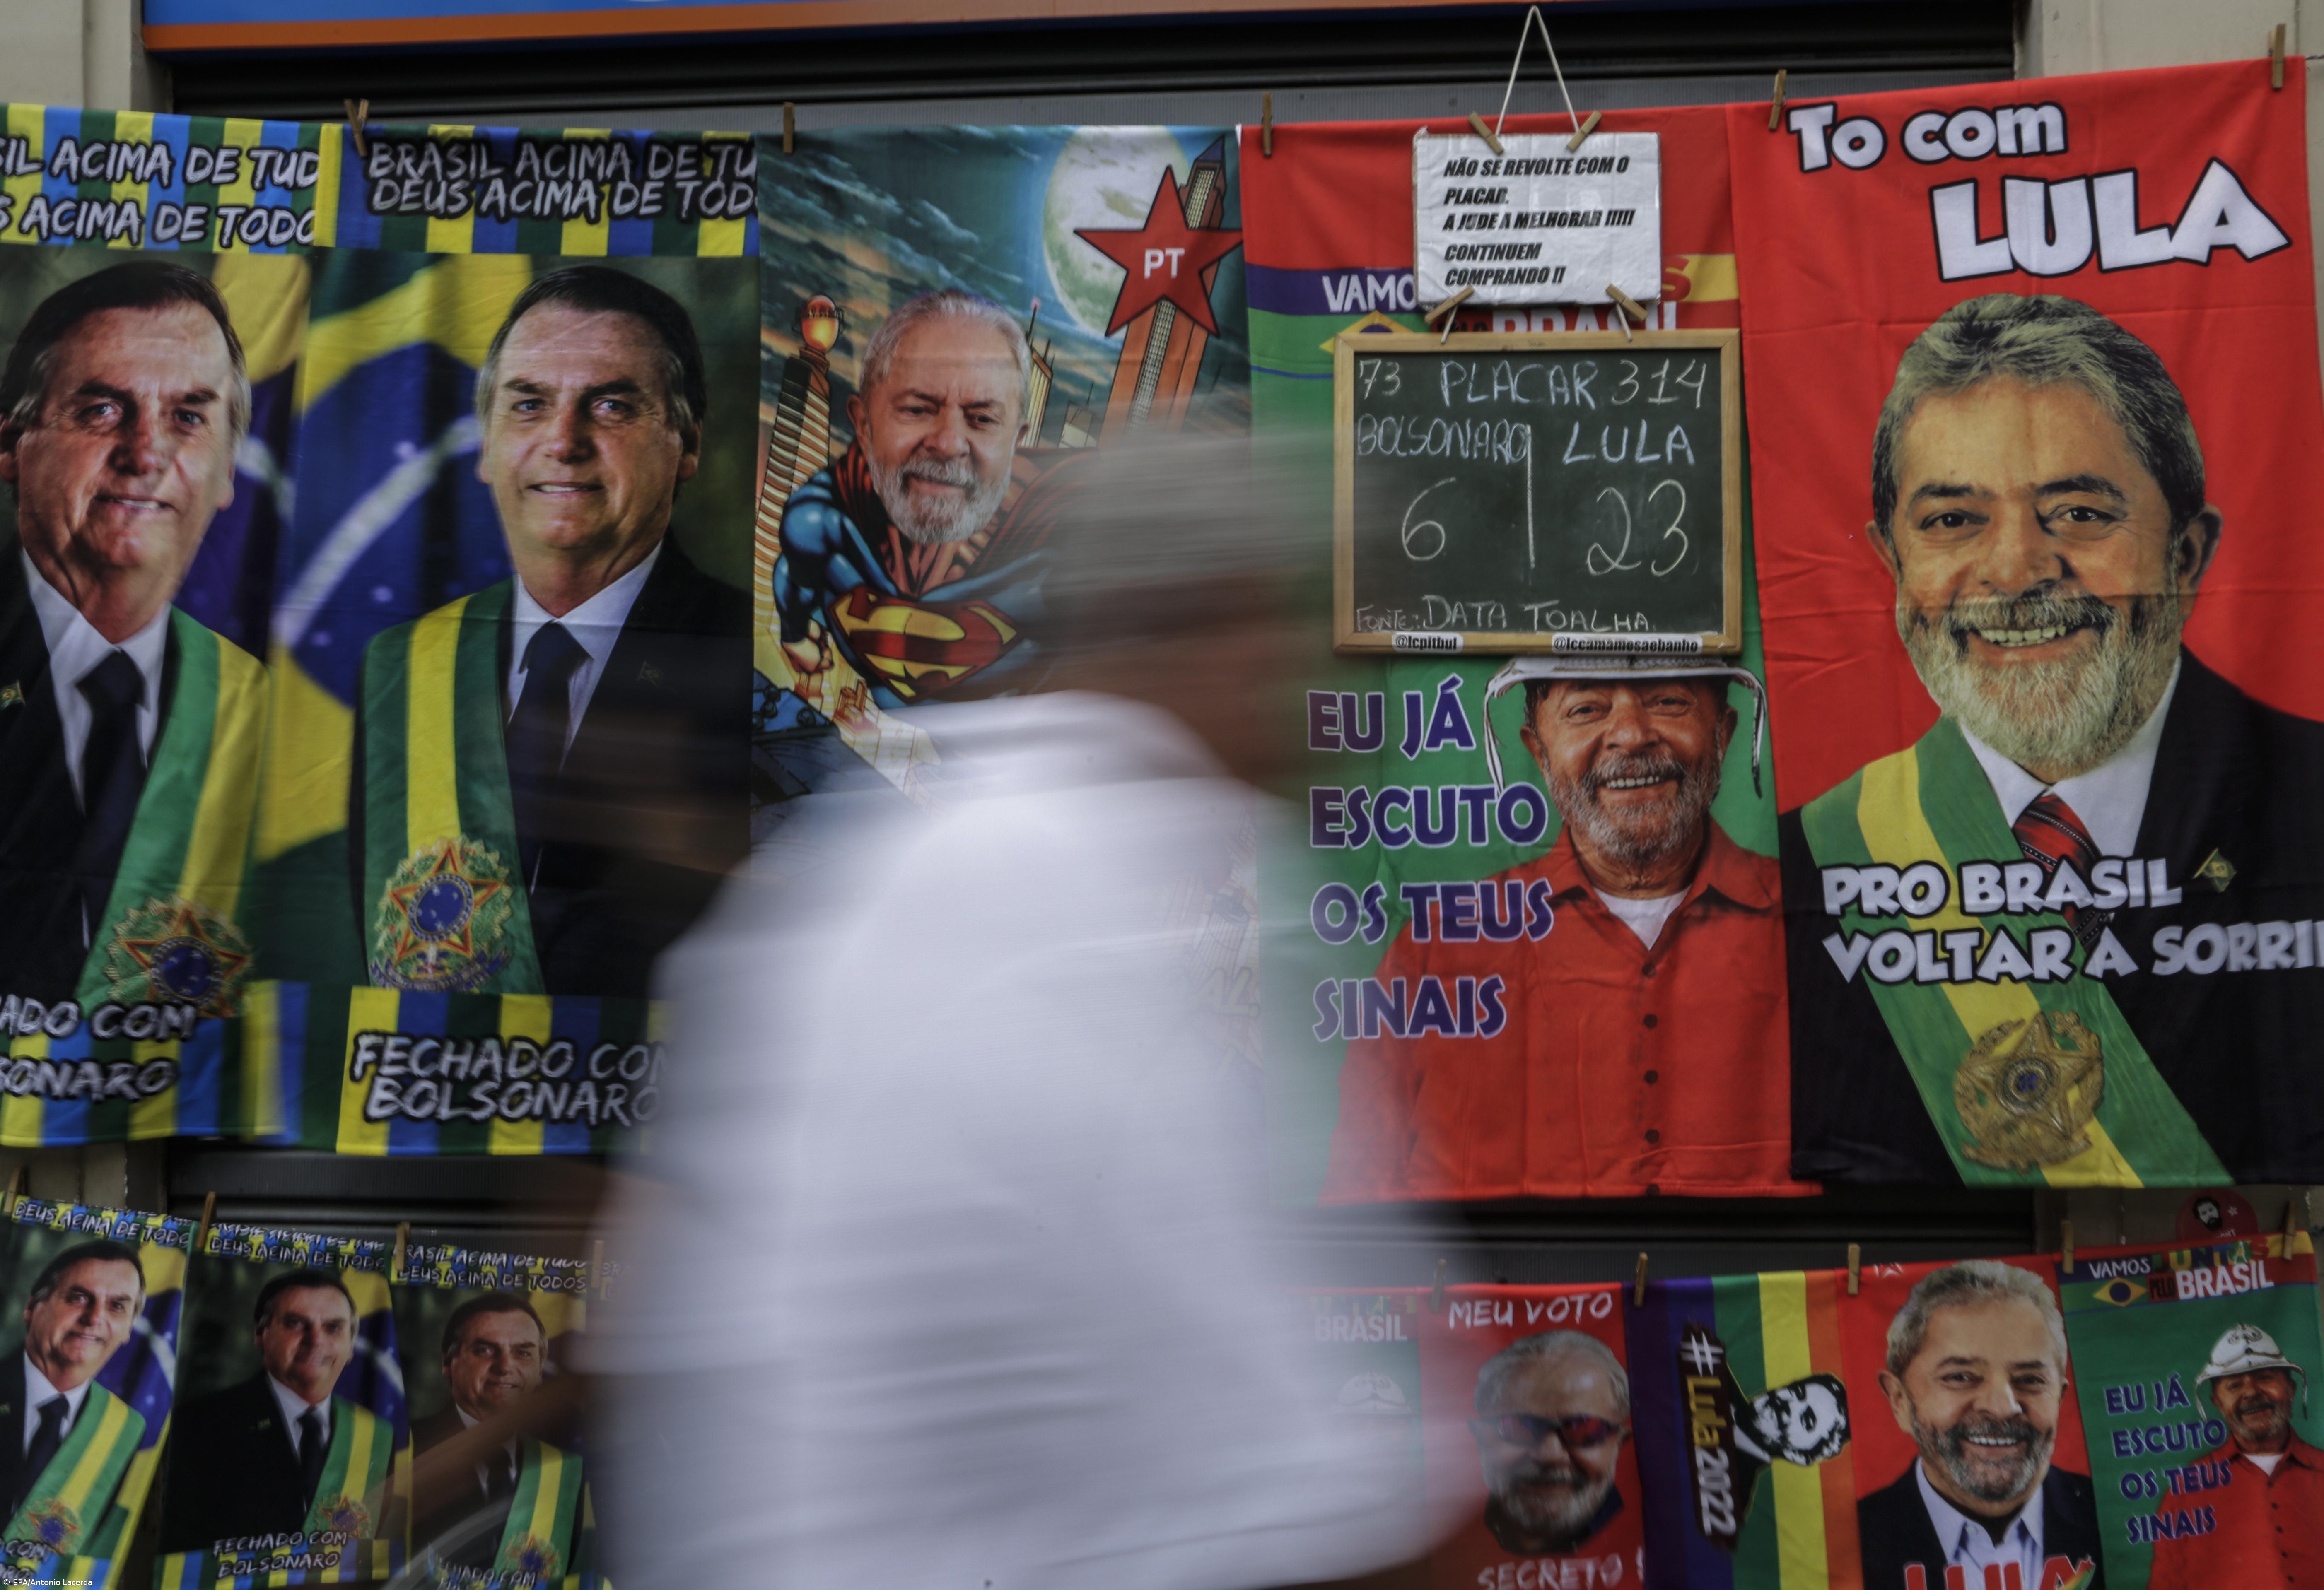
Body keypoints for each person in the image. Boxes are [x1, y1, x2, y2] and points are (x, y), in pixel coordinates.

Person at [595, 438, 1458, 1590]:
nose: (1328, 683)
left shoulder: (925, 848)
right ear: (1219, 625)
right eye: (1302, 628)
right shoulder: (1092, 908)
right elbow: (1307, 1511)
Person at [1782, 293, 2324, 1183]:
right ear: (1892, 564)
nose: (2017, 572)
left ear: (2186, 557)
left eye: (2079, 512)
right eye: (1952, 520)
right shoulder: (1815, 856)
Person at [351, 265, 748, 1000]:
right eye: (529, 405)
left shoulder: (763, 666)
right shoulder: (401, 668)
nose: (564, 441)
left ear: (686, 443)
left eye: (611, 406)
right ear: (487, 444)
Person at [1321, 658, 1791, 1200]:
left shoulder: (1812, 933)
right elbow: (1358, 1209)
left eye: (1668, 701)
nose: (1632, 735)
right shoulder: (1437, 950)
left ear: (1724, 734)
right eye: (1586, 709)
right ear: (1539, 753)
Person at [0, 261, 265, 1015]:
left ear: (224, 474)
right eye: (102, 410)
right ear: (12, 447)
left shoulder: (266, 708)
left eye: (188, 416)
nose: (147, 453)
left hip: (175, 1119)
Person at [775, 287, 1079, 709]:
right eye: (918, 409)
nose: (949, 443)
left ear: (1017, 442)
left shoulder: (1056, 554)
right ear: (863, 425)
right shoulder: (821, 521)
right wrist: (794, 634)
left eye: (983, 419)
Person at [1859, 1261, 2099, 1590]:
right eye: (1960, 1377)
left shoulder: (2115, 1518)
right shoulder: (1846, 1543)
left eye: (2030, 1379)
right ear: (1900, 1400)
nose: (2002, 1408)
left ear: (2059, 1397)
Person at [162, 1269, 390, 1554]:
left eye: (333, 1328)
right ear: (261, 1333)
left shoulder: (380, 1438)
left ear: (351, 1345)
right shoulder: (197, 1426)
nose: (315, 1340)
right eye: (296, 1323)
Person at [2147, 1324, 2324, 1589]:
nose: (2251, 1393)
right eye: (2235, 1385)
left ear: (2291, 1389)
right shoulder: (2185, 1489)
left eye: (2265, 1378)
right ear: (2217, 1403)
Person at [412, 1294, 578, 1573]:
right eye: (485, 1351)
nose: (505, 1367)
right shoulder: (402, 1449)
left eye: (523, 1353)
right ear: (447, 1363)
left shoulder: (566, 1468)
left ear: (540, 1370)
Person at [0, 1242, 145, 1551]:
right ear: (32, 1307)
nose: (94, 1318)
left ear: (129, 1328)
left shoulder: (126, 1431)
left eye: (117, 1306)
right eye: (79, 1298)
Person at [1468, 1331, 1633, 1556]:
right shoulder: (1445, 1543)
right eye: (1519, 1427)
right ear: (1479, 1436)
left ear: (1620, 1443)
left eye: (1584, 1428)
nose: (1550, 1455)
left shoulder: (1659, 1540)